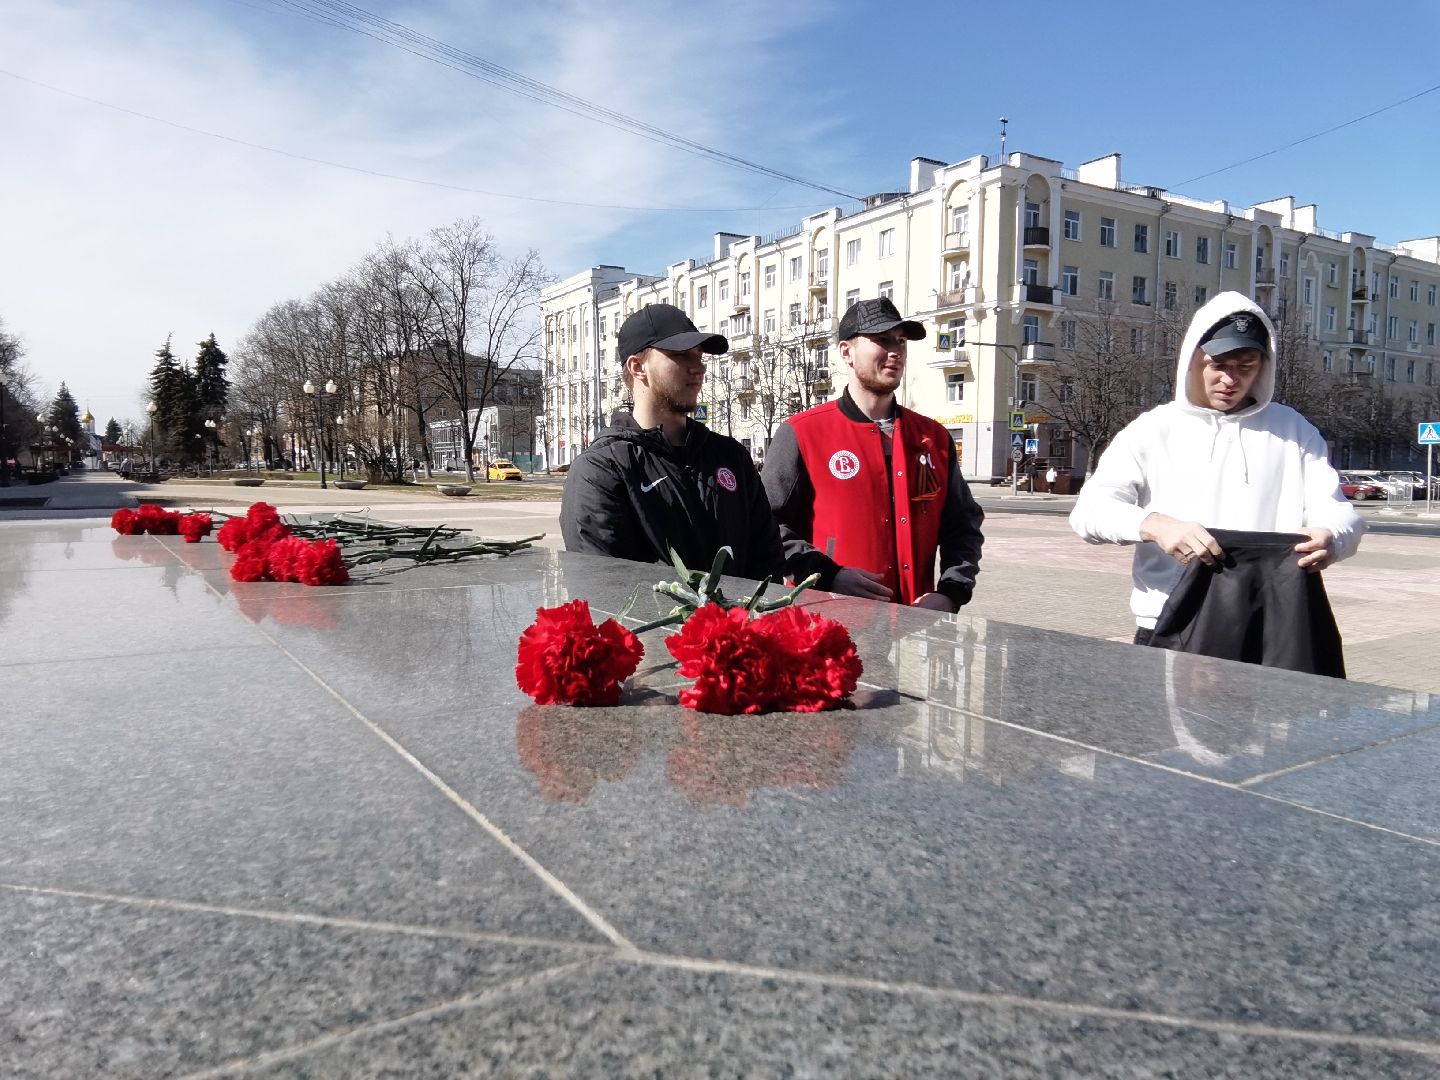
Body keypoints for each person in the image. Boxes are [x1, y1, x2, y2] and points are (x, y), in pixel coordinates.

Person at [1069, 291, 1364, 652]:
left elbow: (1335, 509)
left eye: (1246, 366)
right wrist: (1155, 525)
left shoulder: (1295, 431)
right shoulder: (1152, 430)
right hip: (1172, 616)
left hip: (1269, 620)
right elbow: (1090, 512)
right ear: (1195, 360)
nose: (1230, 379)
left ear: (1263, 367)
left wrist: (1333, 535)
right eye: (1219, 364)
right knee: (1168, 711)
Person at [762, 297, 984, 612]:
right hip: (829, 626)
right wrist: (827, 574)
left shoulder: (932, 439)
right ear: (846, 352)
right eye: (882, 340)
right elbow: (766, 525)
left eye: (901, 341)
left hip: (914, 625)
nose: (896, 351)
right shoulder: (802, 433)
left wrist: (951, 591)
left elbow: (962, 525)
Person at [561, 303, 785, 581]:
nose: (698, 368)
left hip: (740, 624)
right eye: (681, 355)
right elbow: (603, 584)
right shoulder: (602, 468)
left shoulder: (731, 457)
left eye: (700, 356)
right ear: (637, 366)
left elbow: (768, 564)